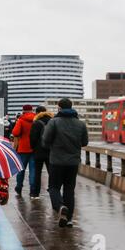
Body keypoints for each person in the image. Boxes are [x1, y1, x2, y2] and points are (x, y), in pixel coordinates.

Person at [42, 98, 88, 228]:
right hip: (73, 162)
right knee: (69, 189)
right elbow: (84, 142)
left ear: (59, 108)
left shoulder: (54, 122)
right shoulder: (80, 124)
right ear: (71, 107)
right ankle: (69, 219)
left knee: (54, 187)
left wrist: (52, 146)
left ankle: (60, 207)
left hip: (56, 161)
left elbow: (45, 141)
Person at [29, 106, 54, 199]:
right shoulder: (52, 121)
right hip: (51, 151)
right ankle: (53, 191)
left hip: (38, 151)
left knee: (37, 173)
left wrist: (33, 148)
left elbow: (33, 138)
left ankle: (35, 194)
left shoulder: (36, 123)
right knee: (51, 172)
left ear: (37, 113)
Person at [11, 105, 36, 197]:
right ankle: (33, 190)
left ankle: (19, 187)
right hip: (34, 148)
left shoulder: (21, 120)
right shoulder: (36, 119)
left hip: (23, 148)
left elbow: (15, 133)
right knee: (33, 170)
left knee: (21, 169)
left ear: (23, 110)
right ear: (32, 110)